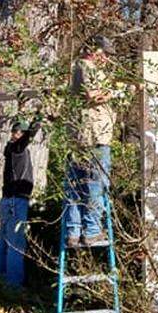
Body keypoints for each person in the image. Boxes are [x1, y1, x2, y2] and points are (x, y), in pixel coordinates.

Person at [62, 48, 118, 248]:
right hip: (94, 138)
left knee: (76, 188)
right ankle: (92, 231)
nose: (108, 58)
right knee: (95, 185)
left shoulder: (78, 68)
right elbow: (92, 95)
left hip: (80, 139)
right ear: (94, 51)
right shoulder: (86, 67)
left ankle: (74, 232)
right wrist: (115, 91)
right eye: (105, 53)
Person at [0, 117, 41, 286]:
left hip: (8, 202)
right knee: (15, 245)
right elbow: (29, 135)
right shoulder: (17, 148)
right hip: (15, 202)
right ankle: (13, 287)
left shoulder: (11, 149)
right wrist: (40, 117)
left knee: (3, 242)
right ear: (18, 134)